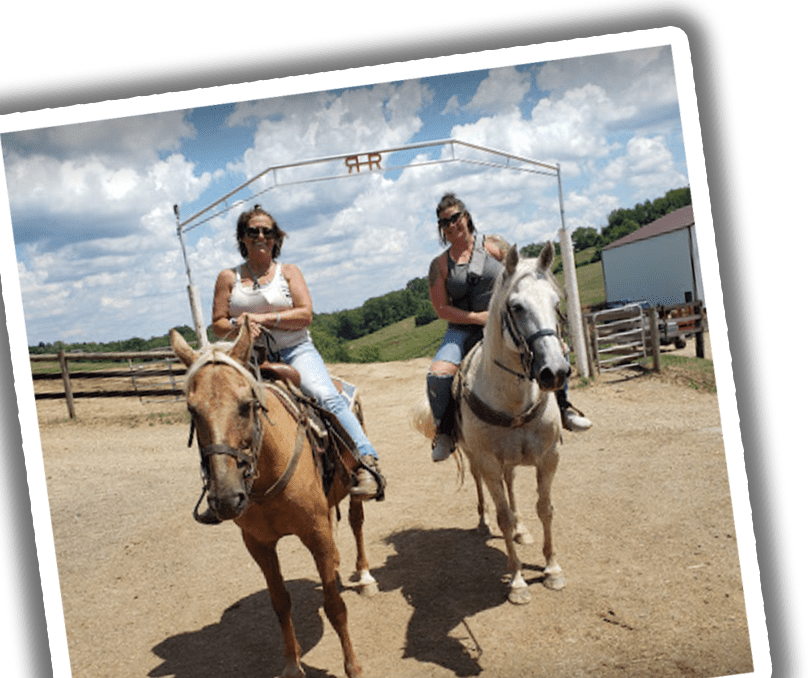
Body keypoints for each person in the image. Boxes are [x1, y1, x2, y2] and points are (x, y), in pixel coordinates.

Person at [211, 204, 384, 500]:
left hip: (294, 350)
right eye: (254, 231)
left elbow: (305, 314)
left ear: (277, 239)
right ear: (242, 238)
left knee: (324, 394)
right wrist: (239, 326)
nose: (261, 236)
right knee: (215, 407)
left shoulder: (288, 272)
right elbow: (217, 323)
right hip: (248, 357)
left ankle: (366, 462)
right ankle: (217, 486)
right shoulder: (228, 277)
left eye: (268, 231)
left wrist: (265, 319)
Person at [425, 192, 591, 462]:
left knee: (556, 349)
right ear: (441, 229)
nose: (452, 225)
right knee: (437, 375)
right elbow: (441, 308)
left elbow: (521, 272)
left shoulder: (492, 246)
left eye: (455, 218)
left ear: (466, 217)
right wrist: (477, 318)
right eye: (445, 222)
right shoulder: (440, 266)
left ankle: (564, 409)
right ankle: (445, 431)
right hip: (463, 328)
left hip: (505, 320)